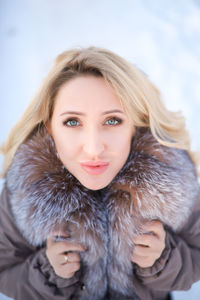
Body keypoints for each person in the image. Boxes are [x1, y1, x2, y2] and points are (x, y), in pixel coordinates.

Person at [0, 46, 200, 300]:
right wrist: (47, 271)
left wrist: (164, 258)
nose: (94, 149)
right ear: (50, 127)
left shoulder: (173, 181)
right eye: (72, 122)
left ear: (134, 125)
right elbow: (4, 268)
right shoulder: (26, 188)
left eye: (113, 120)